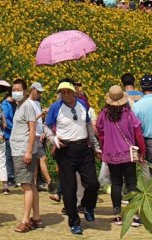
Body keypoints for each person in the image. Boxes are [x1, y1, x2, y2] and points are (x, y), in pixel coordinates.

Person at [45, 81, 99, 235]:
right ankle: (74, 222)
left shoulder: (83, 104)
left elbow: (88, 125)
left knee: (92, 183)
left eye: (68, 91)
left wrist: (95, 146)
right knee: (69, 189)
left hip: (84, 148)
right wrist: (54, 139)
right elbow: (47, 126)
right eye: (62, 92)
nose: (65, 95)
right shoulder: (56, 107)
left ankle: (88, 206)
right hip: (66, 151)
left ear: (74, 92)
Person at [96, 86, 146, 227]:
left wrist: (104, 146)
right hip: (128, 154)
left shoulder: (104, 114)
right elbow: (138, 133)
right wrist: (142, 151)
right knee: (131, 184)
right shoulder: (128, 113)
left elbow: (100, 132)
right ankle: (135, 216)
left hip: (111, 154)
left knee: (116, 184)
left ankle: (117, 216)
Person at [10, 79, 44, 233]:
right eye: (13, 89)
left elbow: (32, 130)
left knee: (26, 186)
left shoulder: (27, 106)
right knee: (31, 184)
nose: (15, 92)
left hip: (23, 150)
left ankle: (25, 220)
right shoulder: (20, 107)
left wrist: (29, 151)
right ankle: (36, 217)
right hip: (19, 149)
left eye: (18, 89)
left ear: (25, 91)